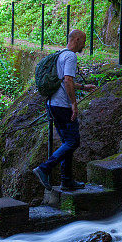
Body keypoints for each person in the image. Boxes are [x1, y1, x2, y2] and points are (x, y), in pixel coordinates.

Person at [33, 29, 97, 191]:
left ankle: (66, 180)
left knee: (67, 142)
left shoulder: (61, 54)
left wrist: (83, 86)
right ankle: (44, 169)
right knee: (73, 141)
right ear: (75, 40)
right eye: (83, 41)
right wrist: (74, 103)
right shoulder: (70, 56)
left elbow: (64, 80)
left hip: (52, 105)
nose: (84, 44)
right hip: (62, 106)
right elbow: (68, 80)